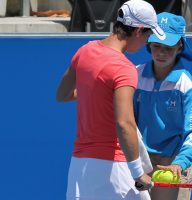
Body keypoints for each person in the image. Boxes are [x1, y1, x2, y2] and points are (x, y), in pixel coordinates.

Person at [56, 0, 166, 199]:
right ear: (138, 31)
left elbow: (62, 95)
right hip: (115, 169)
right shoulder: (124, 68)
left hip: (79, 168)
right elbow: (125, 123)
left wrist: (97, 92)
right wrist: (137, 172)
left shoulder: (85, 51)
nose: (146, 43)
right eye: (148, 35)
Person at [133, 12, 192, 200]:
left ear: (180, 47)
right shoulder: (135, 75)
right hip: (141, 160)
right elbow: (126, 121)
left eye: (168, 47)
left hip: (175, 161)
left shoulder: (186, 83)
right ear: (149, 44)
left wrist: (180, 163)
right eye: (156, 46)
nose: (162, 53)